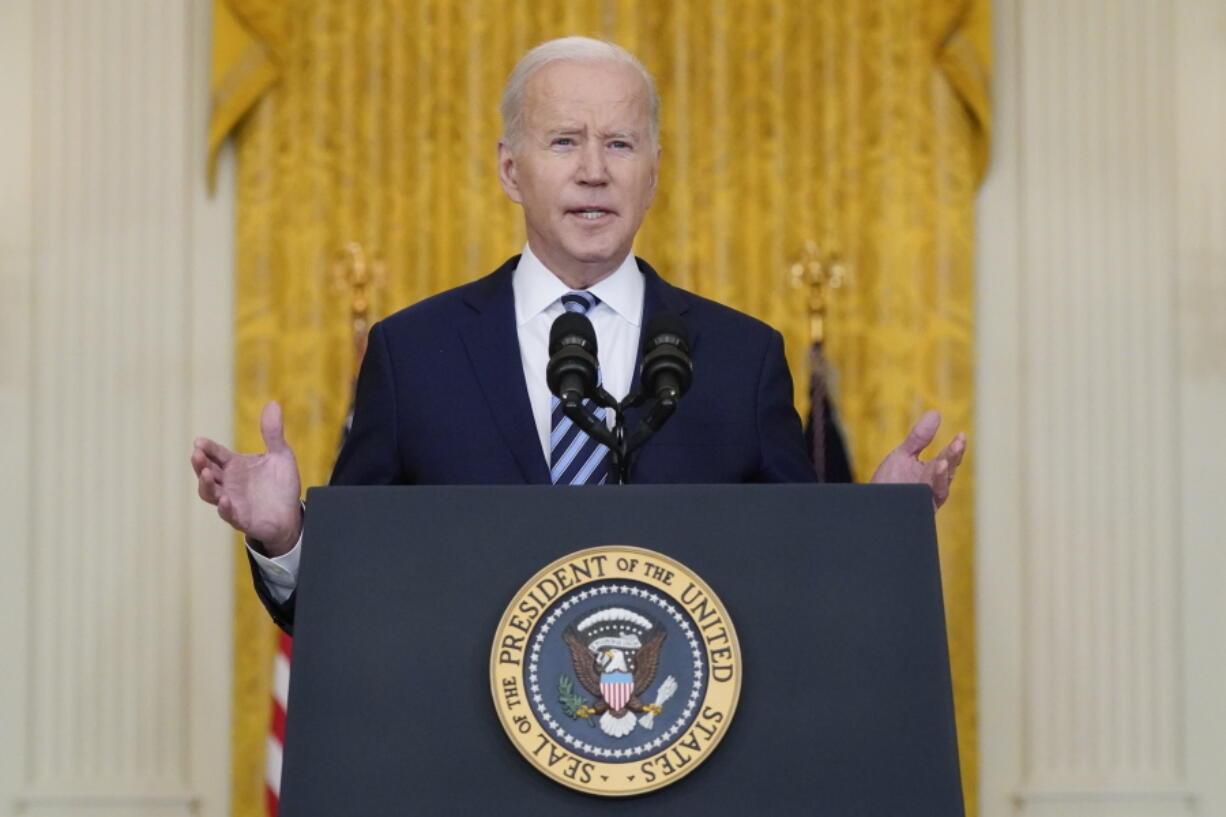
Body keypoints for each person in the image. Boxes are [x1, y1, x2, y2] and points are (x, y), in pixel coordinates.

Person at [191, 38, 965, 631]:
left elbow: (798, 588)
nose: (594, 170)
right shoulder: (413, 355)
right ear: (509, 169)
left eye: (620, 144)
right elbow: (351, 604)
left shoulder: (741, 358)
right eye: (564, 141)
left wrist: (880, 532)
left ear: (653, 171)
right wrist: (286, 537)